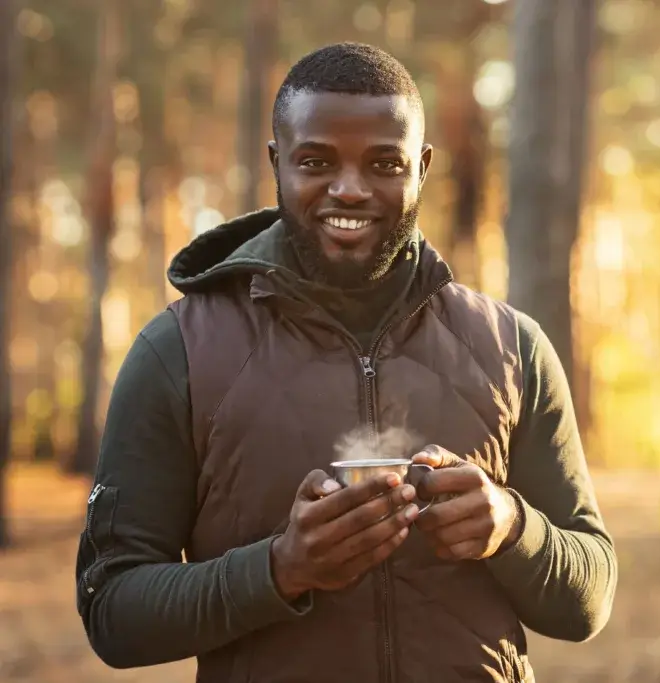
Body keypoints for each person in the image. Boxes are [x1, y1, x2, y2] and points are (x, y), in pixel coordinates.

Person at [74, 42, 616, 683]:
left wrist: (512, 526)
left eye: (385, 162)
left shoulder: (512, 348)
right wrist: (280, 568)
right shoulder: (179, 352)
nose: (350, 189)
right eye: (316, 162)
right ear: (277, 163)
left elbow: (589, 599)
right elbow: (112, 610)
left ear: (422, 165)